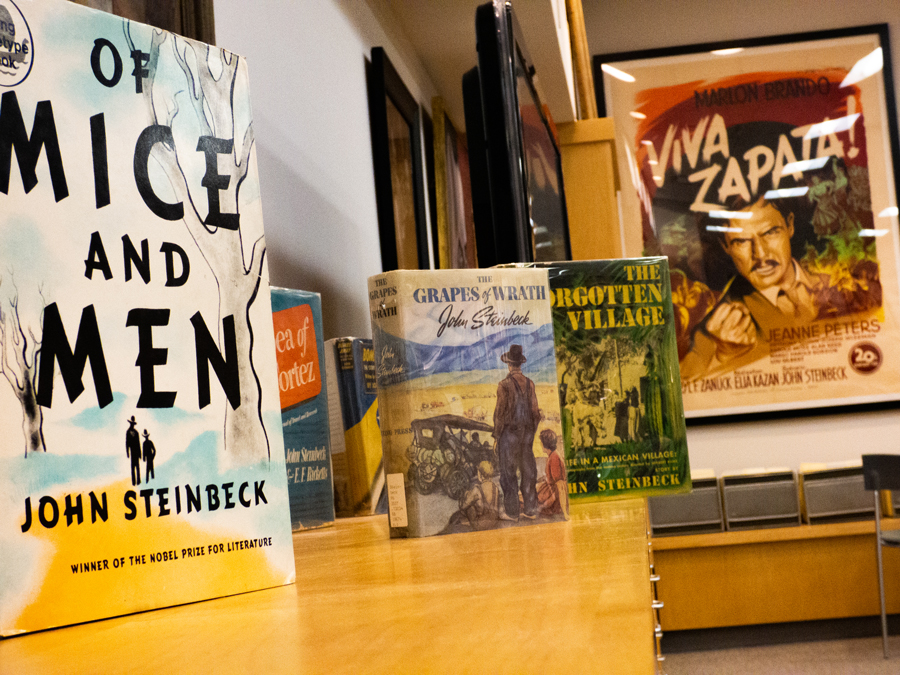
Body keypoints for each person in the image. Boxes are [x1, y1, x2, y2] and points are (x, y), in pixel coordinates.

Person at [681, 197, 825, 380]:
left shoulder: (839, 278)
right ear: (725, 246)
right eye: (741, 241)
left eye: (770, 233)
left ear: (790, 225)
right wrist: (724, 357)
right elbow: (686, 389)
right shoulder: (712, 333)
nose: (761, 254)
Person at [492, 344, 541, 520]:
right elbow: (536, 413)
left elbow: (499, 414)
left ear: (509, 364)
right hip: (526, 435)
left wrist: (497, 436)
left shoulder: (503, 385)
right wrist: (530, 433)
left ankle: (512, 512)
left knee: (508, 472)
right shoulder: (530, 384)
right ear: (520, 364)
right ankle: (530, 509)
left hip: (509, 435)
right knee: (528, 470)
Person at [454, 461, 501, 531]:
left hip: (480, 525)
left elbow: (464, 507)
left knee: (469, 505)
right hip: (494, 522)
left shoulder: (477, 489)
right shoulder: (495, 488)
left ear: (480, 474)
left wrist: (467, 498)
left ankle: (466, 522)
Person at [536, 429, 568, 517]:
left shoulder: (554, 458)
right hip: (549, 490)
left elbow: (560, 486)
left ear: (545, 444)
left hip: (552, 494)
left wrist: (564, 512)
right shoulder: (552, 455)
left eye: (541, 442)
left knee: (525, 503)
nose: (540, 444)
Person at [125, 416, 141, 486]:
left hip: (136, 451)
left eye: (133, 424)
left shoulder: (136, 432)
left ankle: (138, 481)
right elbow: (127, 443)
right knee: (133, 467)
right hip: (132, 452)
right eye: (131, 424)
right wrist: (127, 452)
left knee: (137, 467)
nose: (132, 425)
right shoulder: (128, 432)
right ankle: (134, 482)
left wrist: (140, 453)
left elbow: (138, 443)